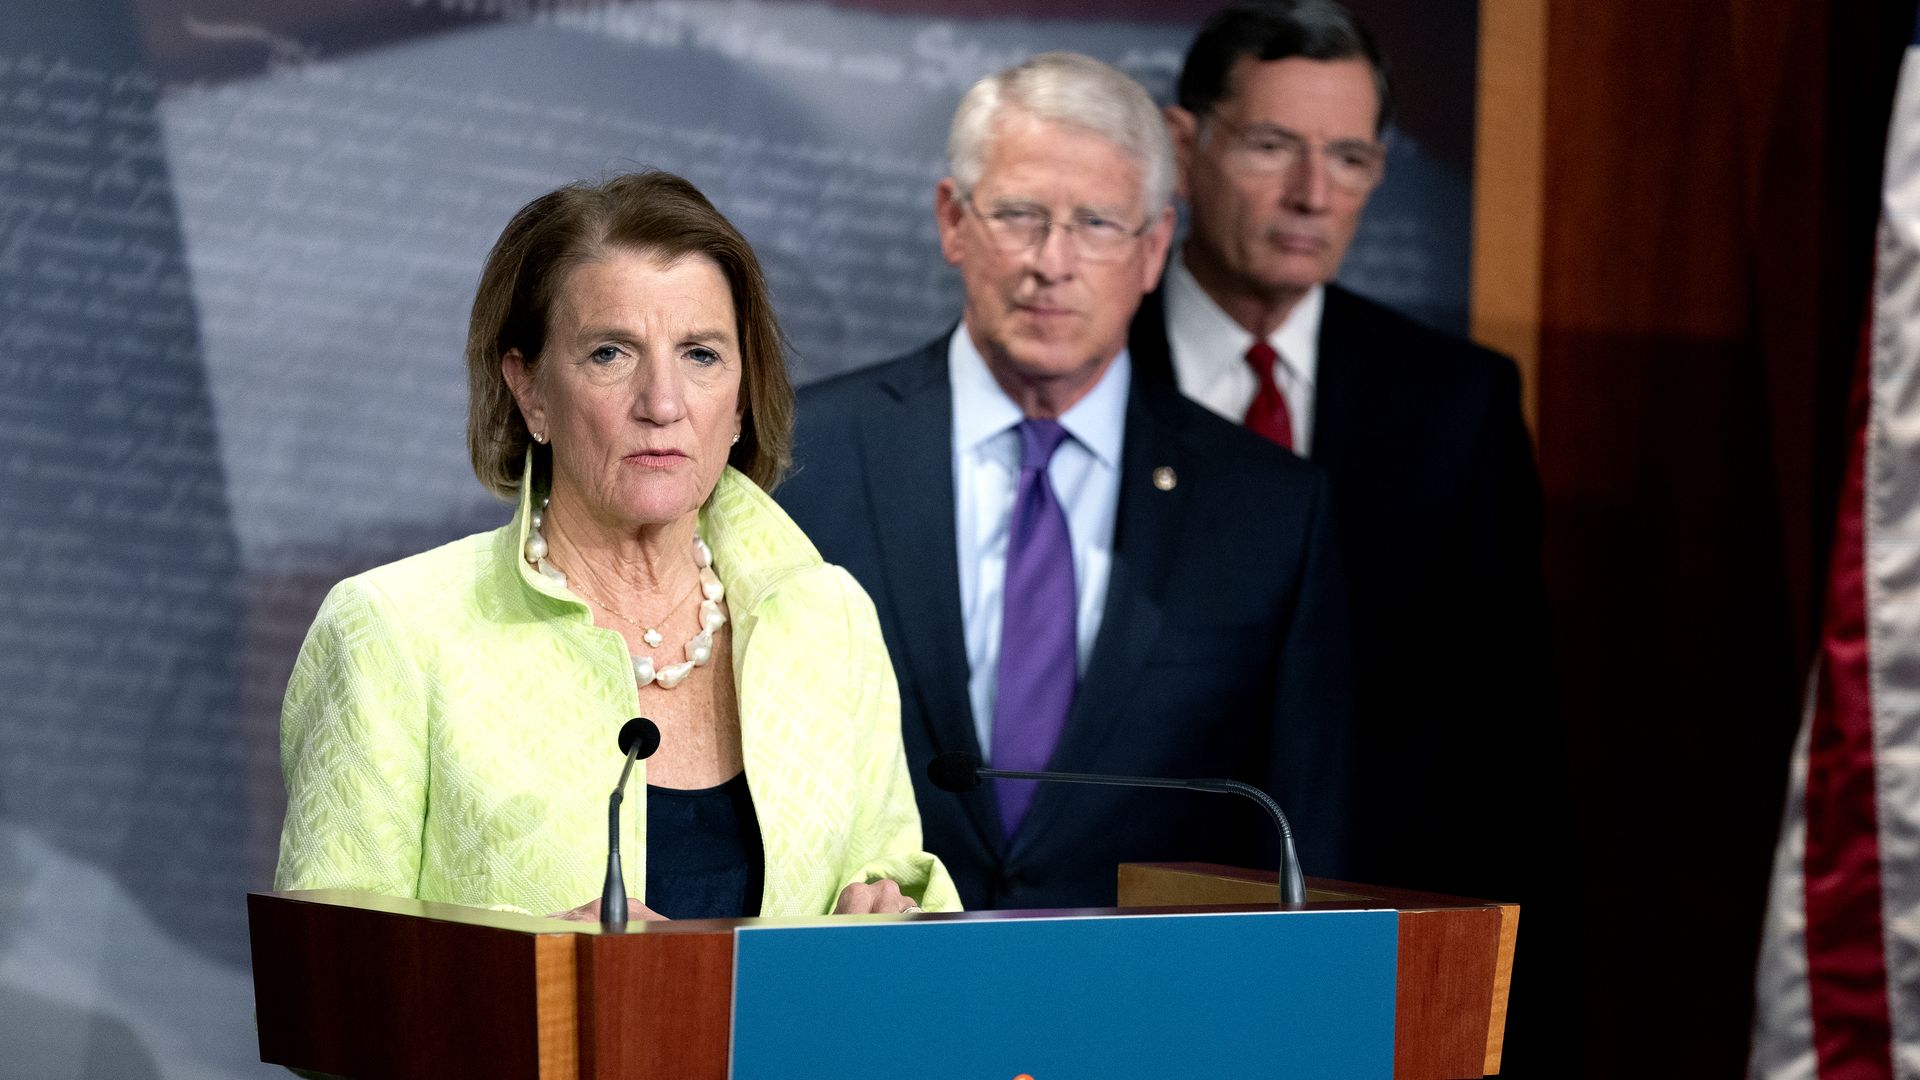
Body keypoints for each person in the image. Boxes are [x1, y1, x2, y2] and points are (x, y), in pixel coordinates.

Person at [274, 172, 959, 920]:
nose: (662, 404)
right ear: (529, 388)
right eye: (610, 354)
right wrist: (538, 974)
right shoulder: (395, 631)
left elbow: (901, 887)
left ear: (739, 402)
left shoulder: (828, 618)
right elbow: (328, 989)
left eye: (700, 354)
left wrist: (893, 920)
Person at [776, 52, 1353, 911]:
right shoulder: (798, 458)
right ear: (952, 220)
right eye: (1019, 215)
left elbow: (1307, 841)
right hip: (866, 984)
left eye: (1096, 225)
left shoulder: (1267, 511)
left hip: (1150, 1008)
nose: (1054, 261)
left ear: (1155, 246)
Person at [1131, 0, 1555, 904]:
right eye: (1272, 146)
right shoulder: (1085, 375)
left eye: (1350, 158)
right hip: (1114, 910)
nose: (1312, 195)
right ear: (1181, 144)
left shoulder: (1459, 405)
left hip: (1373, 923)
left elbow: (1510, 746)